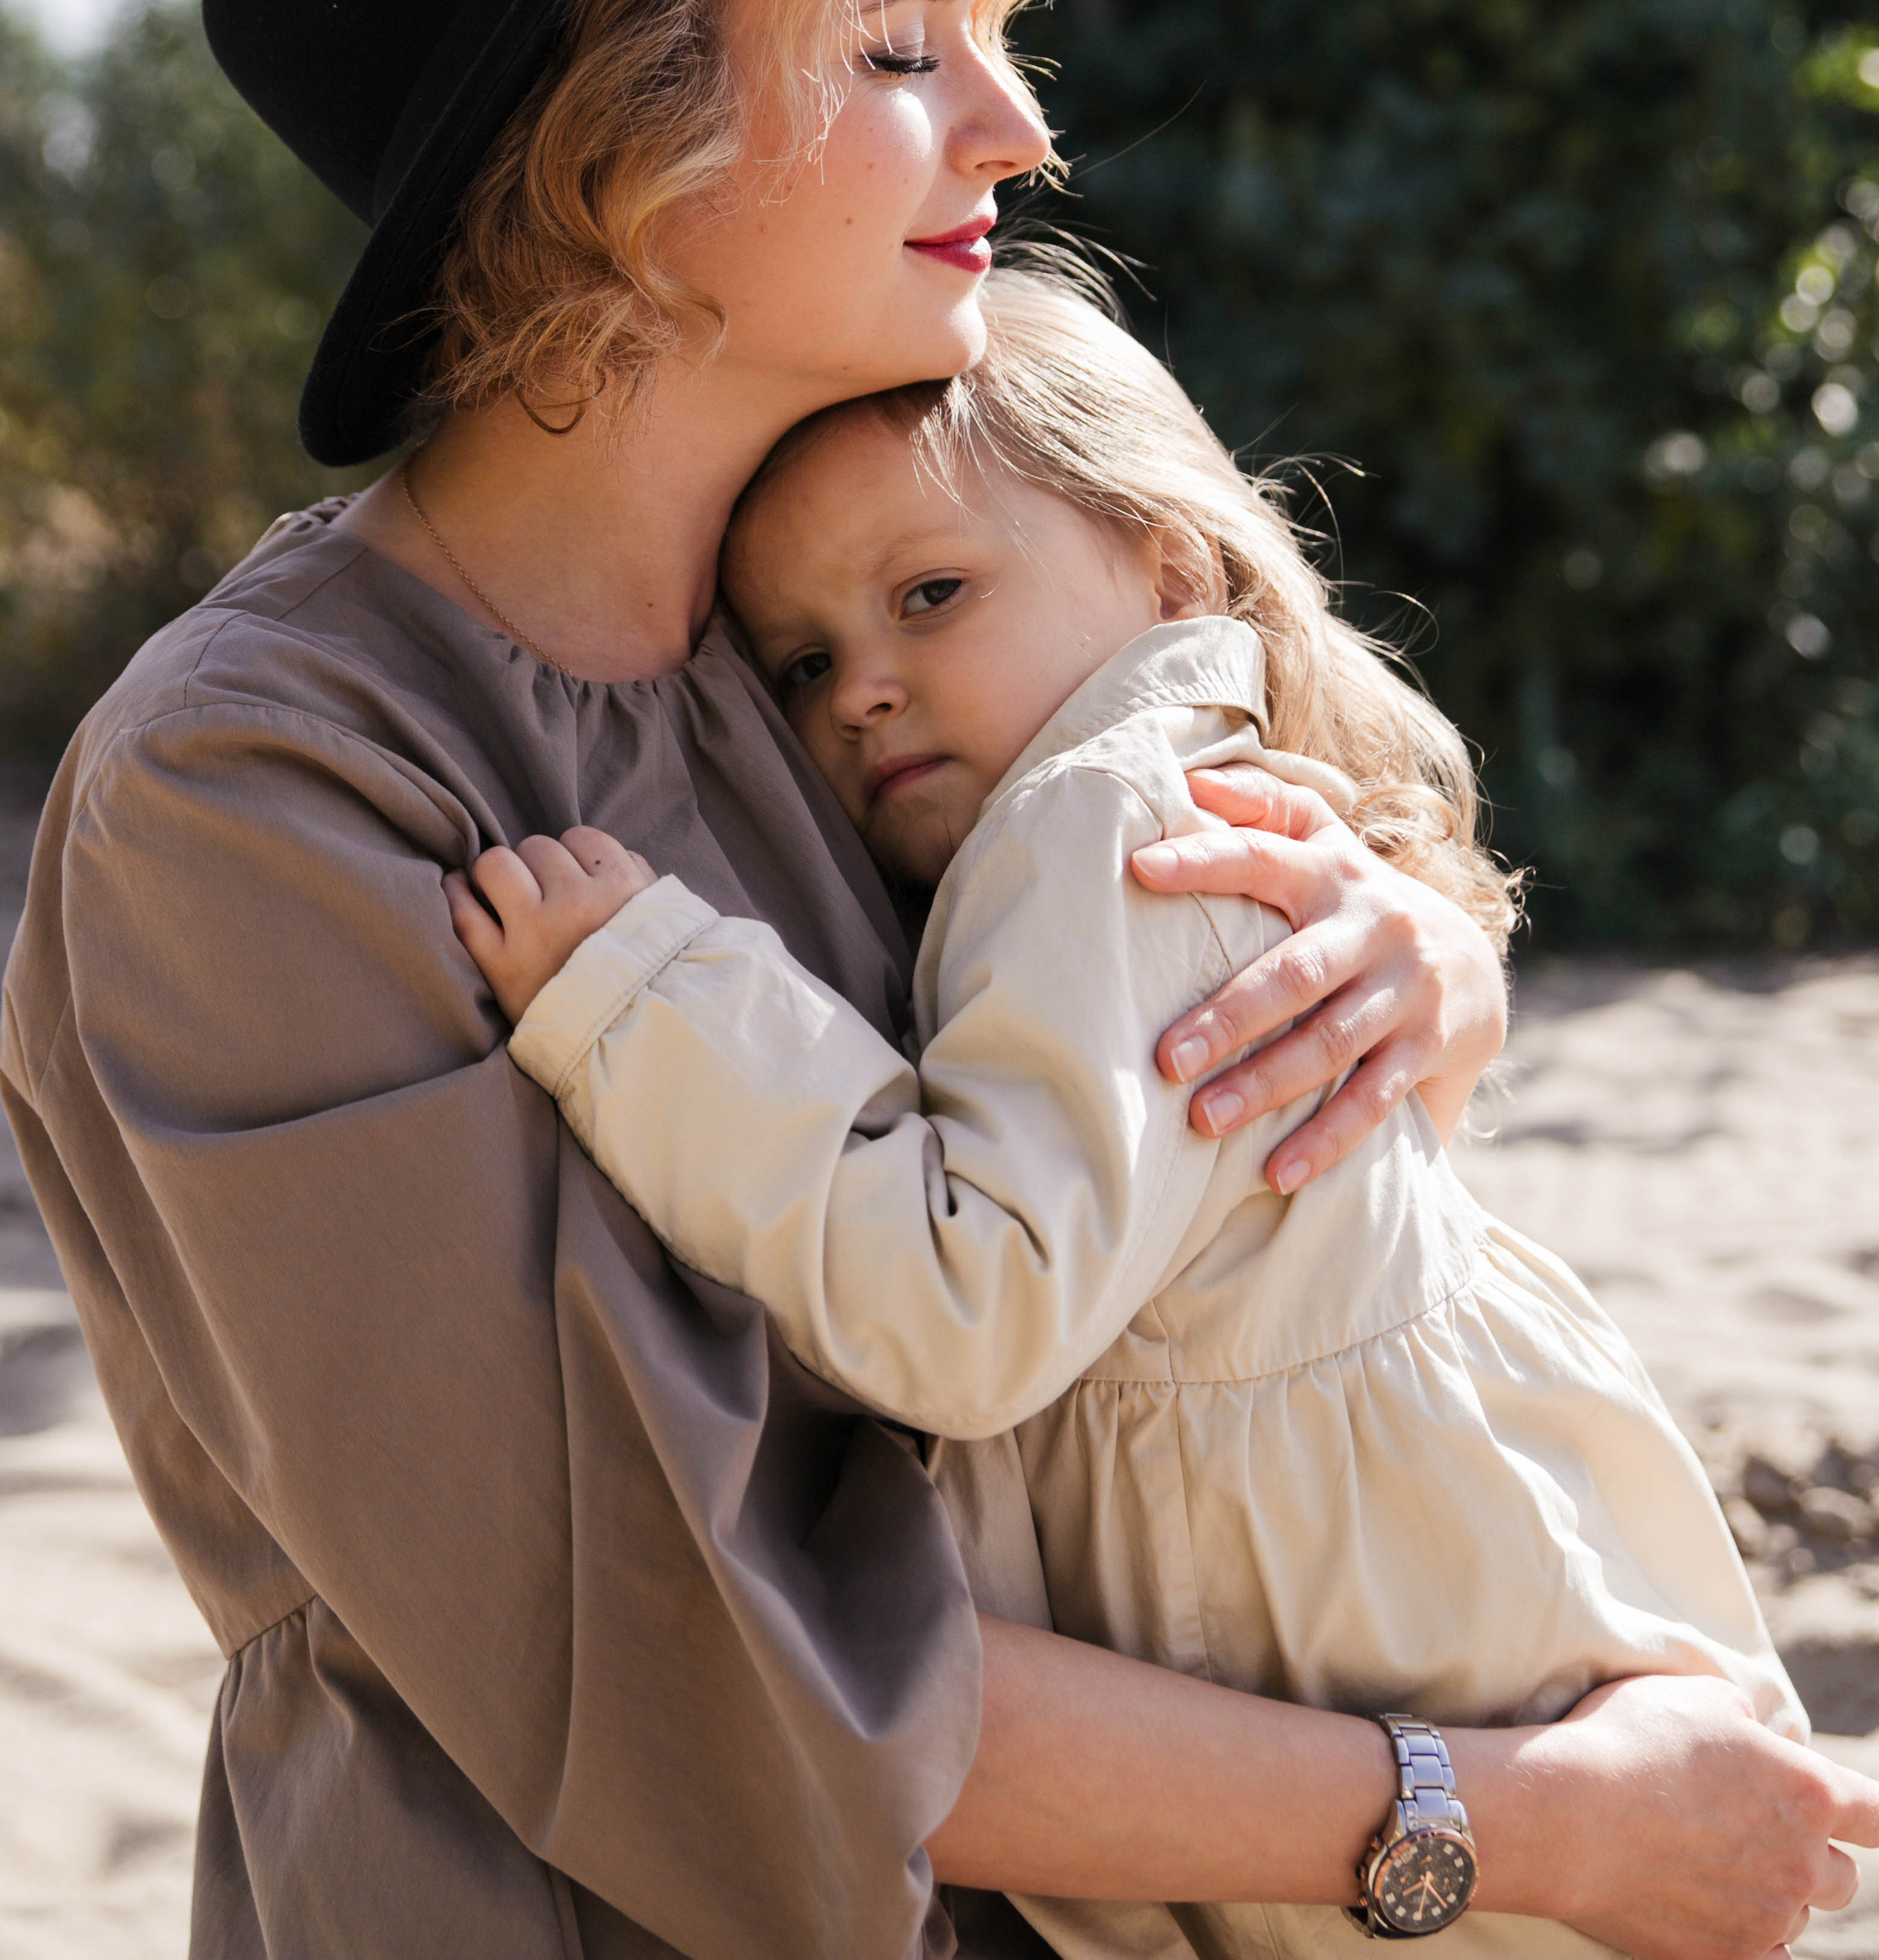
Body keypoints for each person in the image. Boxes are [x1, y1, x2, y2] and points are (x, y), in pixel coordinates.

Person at [1, 0, 1872, 1960]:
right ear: (613, 142)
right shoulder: (246, 809)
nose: (1016, 128)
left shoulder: (868, 621)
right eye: (899, 46)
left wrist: (1408, 966)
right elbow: (729, 1661)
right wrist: (1516, 1821)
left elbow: (1181, 1032)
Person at [455, 261, 1804, 1960]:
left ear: (1167, 561)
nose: (858, 686)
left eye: (931, 593)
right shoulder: (1096, 837)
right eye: (801, 660)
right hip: (1425, 1636)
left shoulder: (1111, 819)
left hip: (1440, 1668)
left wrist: (644, 1005)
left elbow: (967, 1301)